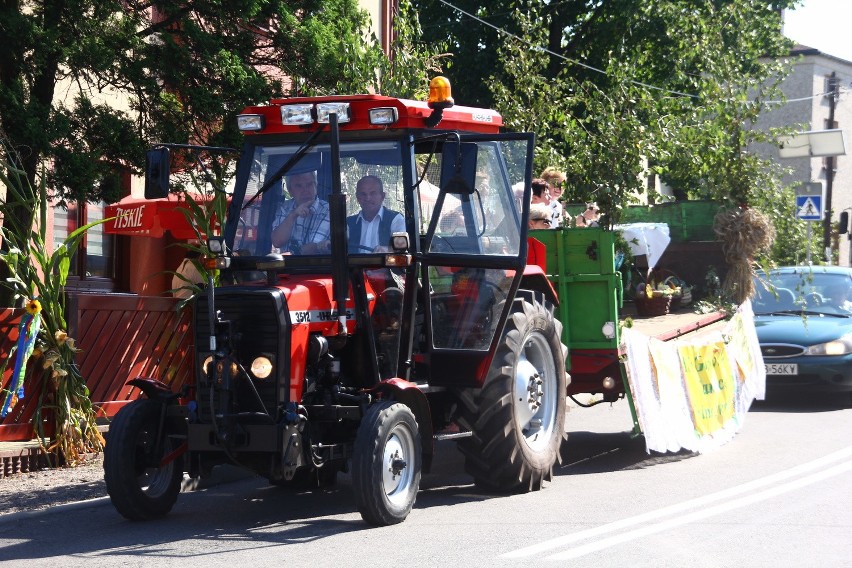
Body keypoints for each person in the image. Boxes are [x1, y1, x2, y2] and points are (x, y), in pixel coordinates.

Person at [271, 171, 331, 254]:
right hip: (285, 266)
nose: (305, 190)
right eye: (299, 186)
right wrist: (293, 215)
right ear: (290, 191)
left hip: (318, 266)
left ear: (316, 186)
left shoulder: (329, 211)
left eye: (309, 184)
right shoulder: (285, 208)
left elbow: (311, 250)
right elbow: (277, 242)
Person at [346, 175, 406, 252]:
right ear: (357, 197)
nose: (367, 198)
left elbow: (401, 248)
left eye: (373, 193)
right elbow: (339, 247)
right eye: (363, 194)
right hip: (354, 264)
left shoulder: (395, 219)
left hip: (384, 264)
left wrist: (387, 250)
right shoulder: (348, 223)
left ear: (382, 196)